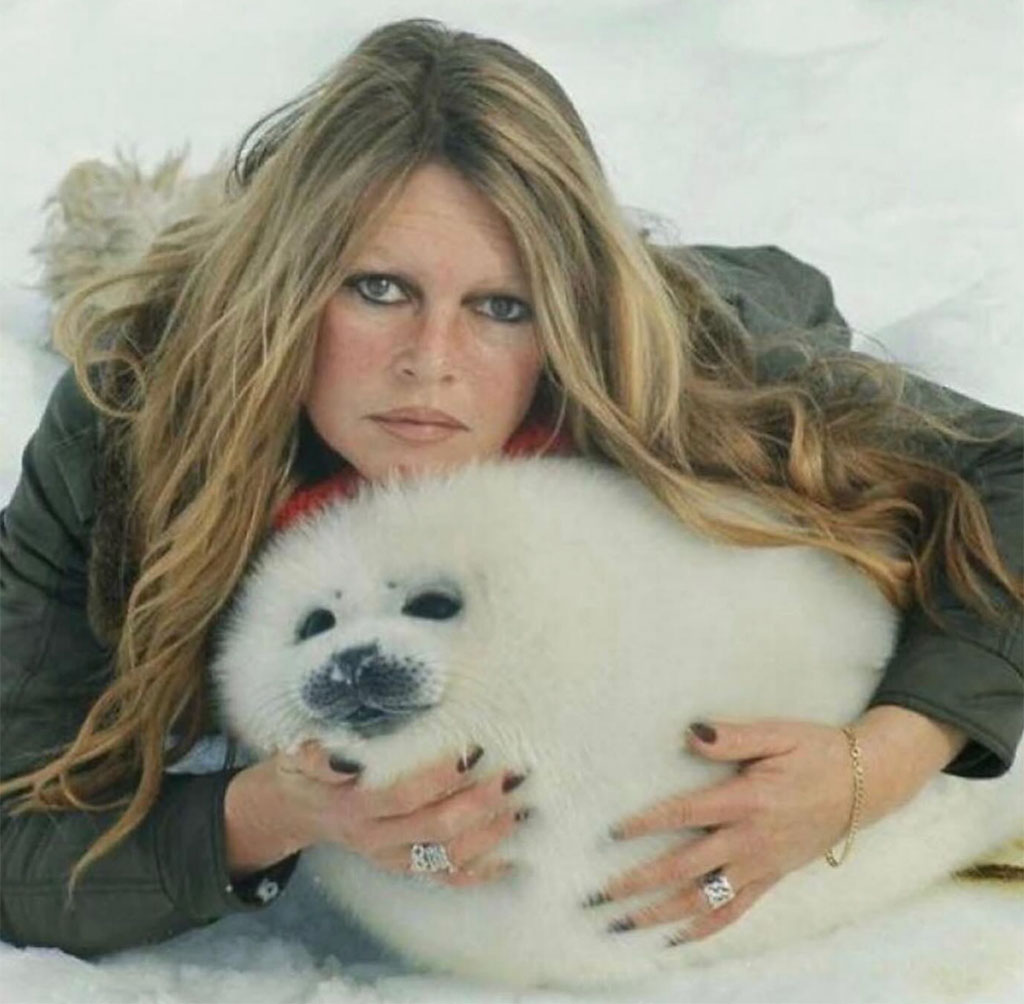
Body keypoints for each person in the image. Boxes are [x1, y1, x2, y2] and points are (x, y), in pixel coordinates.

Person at [1, 18, 1020, 960]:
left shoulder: (681, 367)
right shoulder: (128, 429)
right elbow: (15, 847)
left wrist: (874, 767)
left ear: (561, 314)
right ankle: (162, 235)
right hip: (227, 310)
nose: (431, 361)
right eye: (377, 289)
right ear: (291, 290)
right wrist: (270, 814)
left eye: (500, 306)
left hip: (711, 305)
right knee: (147, 284)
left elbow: (1006, 474)